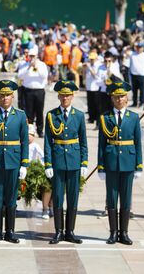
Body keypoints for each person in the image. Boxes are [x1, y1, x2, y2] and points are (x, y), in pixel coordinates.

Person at [0, 80, 29, 244]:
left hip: (14, 161)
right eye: (2, 95)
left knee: (11, 197)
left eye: (8, 95)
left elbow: (24, 141)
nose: (5, 98)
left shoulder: (20, 115)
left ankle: (10, 231)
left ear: (12, 96)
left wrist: (24, 163)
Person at [97, 78, 143, 245]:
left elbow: (138, 142)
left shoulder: (133, 117)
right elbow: (101, 143)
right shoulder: (105, 117)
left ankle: (124, 232)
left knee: (125, 197)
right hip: (110, 161)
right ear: (112, 99)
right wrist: (101, 165)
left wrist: (139, 165)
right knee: (111, 198)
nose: (118, 100)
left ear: (127, 98)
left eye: (121, 96)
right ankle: (112, 233)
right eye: (115, 97)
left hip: (128, 161)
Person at [43, 80, 88, 244]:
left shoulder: (79, 115)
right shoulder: (51, 115)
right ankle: (58, 231)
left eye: (68, 95)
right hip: (58, 161)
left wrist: (84, 163)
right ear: (59, 96)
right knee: (58, 197)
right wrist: (48, 164)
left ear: (72, 96)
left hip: (74, 161)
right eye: (62, 95)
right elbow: (48, 141)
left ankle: (70, 231)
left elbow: (83, 141)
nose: (65, 98)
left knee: (73, 197)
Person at [18, 47, 48, 137]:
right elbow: (20, 76)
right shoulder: (25, 65)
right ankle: (30, 130)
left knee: (39, 111)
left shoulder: (42, 65)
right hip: (28, 90)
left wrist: (36, 67)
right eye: (30, 56)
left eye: (33, 56)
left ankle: (39, 130)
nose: (31, 58)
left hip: (39, 90)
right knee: (29, 112)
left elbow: (44, 76)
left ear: (37, 56)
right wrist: (29, 67)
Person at [27, 124, 51, 219]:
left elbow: (42, 156)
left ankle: (47, 208)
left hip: (33, 168)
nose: (28, 137)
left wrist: (43, 164)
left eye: (31, 135)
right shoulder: (19, 144)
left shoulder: (35, 145)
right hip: (22, 168)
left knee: (47, 184)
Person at [129, 43, 144, 107]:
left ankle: (141, 103)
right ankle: (134, 103)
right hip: (133, 75)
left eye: (140, 47)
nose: (139, 48)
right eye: (138, 47)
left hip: (142, 75)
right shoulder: (132, 54)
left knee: (142, 90)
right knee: (134, 90)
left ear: (143, 48)